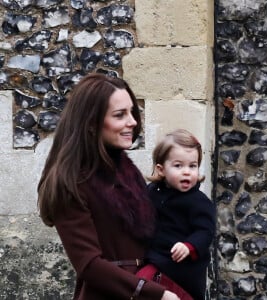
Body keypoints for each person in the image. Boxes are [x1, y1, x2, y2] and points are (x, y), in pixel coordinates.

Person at [37, 73, 182, 300]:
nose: (132, 121)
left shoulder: (126, 170)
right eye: (119, 115)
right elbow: (89, 265)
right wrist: (155, 294)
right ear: (92, 124)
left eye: (132, 112)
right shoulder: (69, 183)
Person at [137, 129, 216, 300]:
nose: (187, 171)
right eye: (178, 165)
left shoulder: (198, 201)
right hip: (155, 260)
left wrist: (189, 245)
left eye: (192, 165)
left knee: (143, 283)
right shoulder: (151, 192)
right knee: (136, 285)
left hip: (183, 270)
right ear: (161, 169)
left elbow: (205, 231)